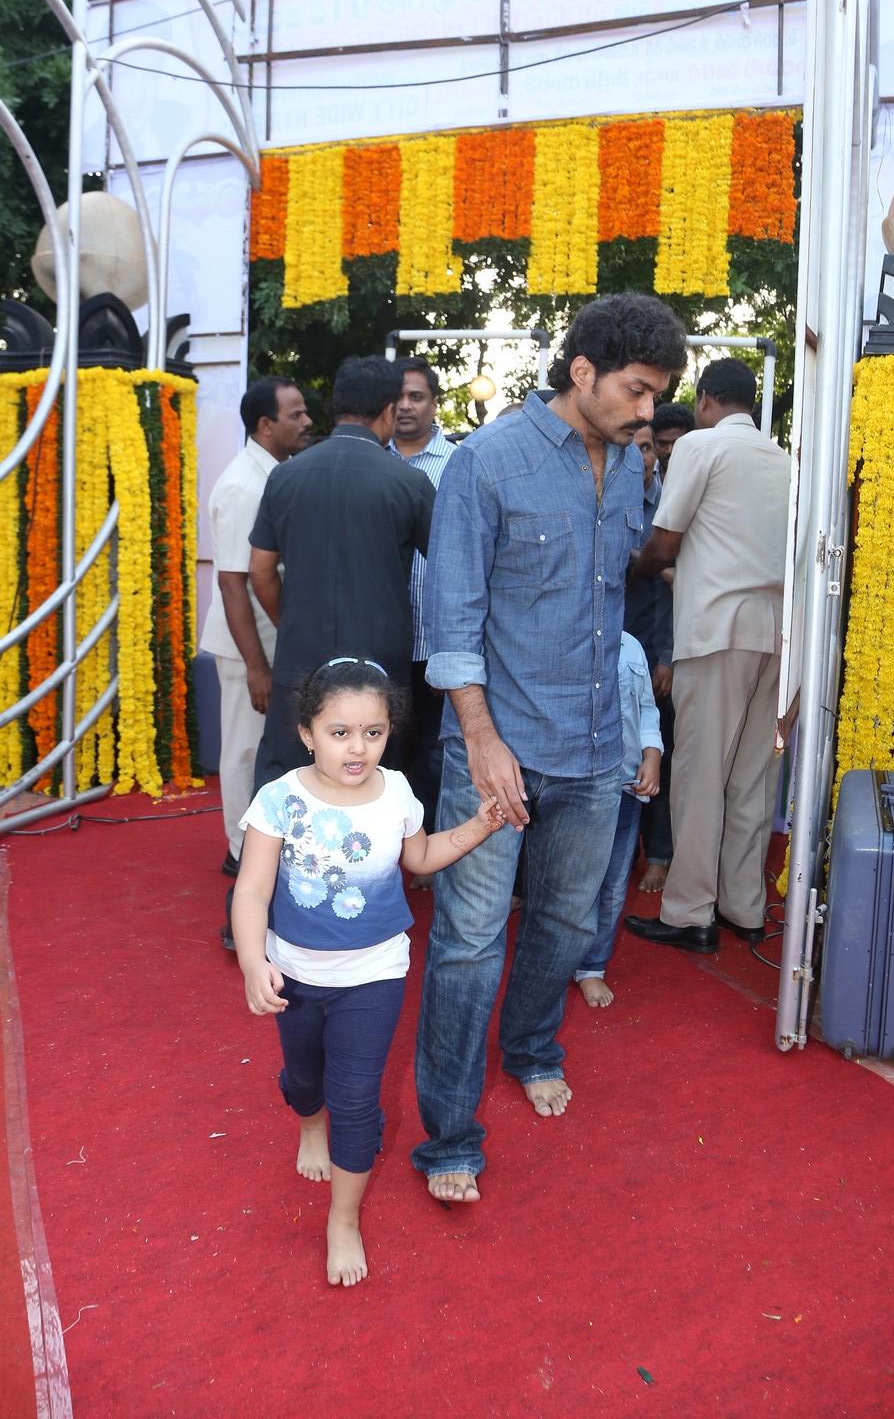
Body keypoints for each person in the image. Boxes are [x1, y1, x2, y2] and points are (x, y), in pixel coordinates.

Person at [412, 291, 688, 1205]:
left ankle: (530, 1046)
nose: (649, 412)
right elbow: (449, 623)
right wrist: (481, 742)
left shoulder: (633, 467)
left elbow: (612, 615)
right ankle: (449, 1133)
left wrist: (633, 737)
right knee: (466, 943)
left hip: (594, 746)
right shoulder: (487, 465)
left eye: (656, 397)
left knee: (569, 925)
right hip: (498, 750)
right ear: (583, 373)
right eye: (638, 392)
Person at [231, 658, 505, 1287]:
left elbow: (424, 858)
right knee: (306, 1080)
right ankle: (307, 1123)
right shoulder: (279, 800)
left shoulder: (399, 794)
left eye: (373, 733)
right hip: (295, 977)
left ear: (388, 732)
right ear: (307, 732)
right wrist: (254, 962)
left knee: (356, 1102)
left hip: (376, 975)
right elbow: (250, 893)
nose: (358, 748)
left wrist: (482, 825)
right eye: (340, 733)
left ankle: (343, 1219)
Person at [625, 358, 790, 952]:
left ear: (704, 401)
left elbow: (665, 539)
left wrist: (639, 567)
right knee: (751, 776)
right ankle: (743, 906)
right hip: (777, 636)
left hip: (716, 629)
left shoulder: (700, 447)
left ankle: (688, 911)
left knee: (697, 776)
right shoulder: (785, 459)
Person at [249, 356, 435, 789]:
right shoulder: (408, 483)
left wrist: (291, 624)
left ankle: (280, 858)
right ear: (388, 410)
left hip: (300, 653)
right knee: (374, 774)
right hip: (381, 658)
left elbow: (260, 571)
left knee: (291, 775)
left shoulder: (284, 476)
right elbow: (450, 573)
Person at [199, 378, 311, 939]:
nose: (307, 420)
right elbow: (234, 584)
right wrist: (259, 666)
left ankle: (251, 851)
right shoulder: (246, 485)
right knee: (245, 755)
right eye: (296, 413)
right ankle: (245, 862)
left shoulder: (271, 474)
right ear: (265, 425)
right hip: (252, 647)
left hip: (269, 642)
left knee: (263, 753)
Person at [387, 357, 456, 872]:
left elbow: (461, 560)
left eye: (417, 397)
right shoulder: (374, 460)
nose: (407, 406)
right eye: (400, 397)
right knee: (388, 754)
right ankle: (386, 850)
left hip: (433, 644)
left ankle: (427, 851)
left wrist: (447, 644)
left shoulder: (456, 463)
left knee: (434, 757)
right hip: (384, 641)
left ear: (434, 404)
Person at [574, 631, 662, 1008]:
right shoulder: (561, 638)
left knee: (612, 883)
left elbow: (647, 710)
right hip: (574, 787)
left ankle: (591, 967)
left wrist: (652, 754)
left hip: (624, 785)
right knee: (571, 881)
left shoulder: (631, 645)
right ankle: (557, 955)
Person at [624, 422, 675, 895]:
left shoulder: (668, 508)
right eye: (635, 447)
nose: (642, 456)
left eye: (647, 447)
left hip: (651, 648)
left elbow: (672, 594)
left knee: (657, 752)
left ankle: (658, 855)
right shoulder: (598, 494)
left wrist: (667, 656)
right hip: (602, 647)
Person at [650, 400, 694, 479]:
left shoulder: (700, 475)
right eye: (662, 444)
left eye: (677, 443)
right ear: (653, 442)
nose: (670, 450)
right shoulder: (643, 474)